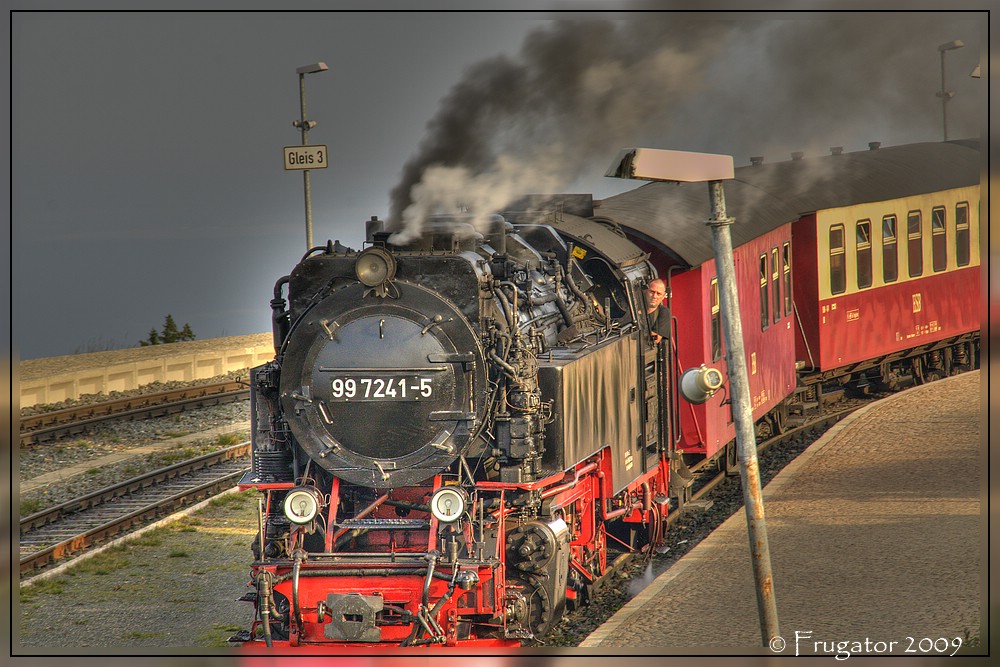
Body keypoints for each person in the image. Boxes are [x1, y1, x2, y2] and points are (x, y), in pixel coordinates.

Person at [645, 278, 671, 345]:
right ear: (646, 291)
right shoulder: (631, 310)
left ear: (663, 296)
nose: (654, 296)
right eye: (652, 292)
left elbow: (655, 339)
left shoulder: (664, 312)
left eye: (658, 293)